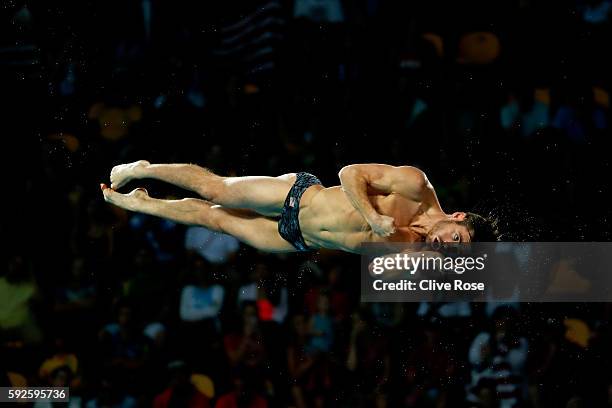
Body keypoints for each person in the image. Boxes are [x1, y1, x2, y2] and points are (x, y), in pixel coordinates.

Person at [101, 161, 499, 254]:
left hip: (298, 240)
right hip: (297, 197)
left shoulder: (419, 249)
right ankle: (145, 169)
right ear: (458, 217)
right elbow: (348, 173)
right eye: (456, 239)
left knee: (215, 220)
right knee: (217, 190)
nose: (448, 247)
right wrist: (373, 216)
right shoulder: (414, 185)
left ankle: (142, 204)